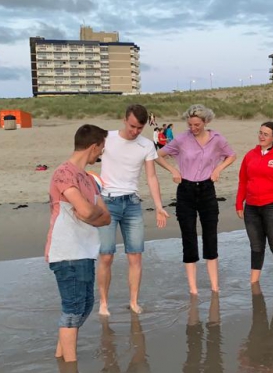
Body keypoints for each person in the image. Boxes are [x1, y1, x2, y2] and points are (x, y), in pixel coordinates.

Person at [46, 124, 111, 363]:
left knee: (85, 305)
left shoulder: (90, 180)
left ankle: (60, 357)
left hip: (85, 250)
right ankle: (70, 366)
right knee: (73, 310)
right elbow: (86, 210)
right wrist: (90, 213)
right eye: (101, 148)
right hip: (66, 251)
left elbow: (105, 218)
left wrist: (89, 213)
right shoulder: (64, 172)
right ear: (93, 146)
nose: (101, 154)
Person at [97, 104, 170, 316]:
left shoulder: (146, 145)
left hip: (132, 203)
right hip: (107, 202)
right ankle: (103, 303)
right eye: (132, 126)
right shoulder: (107, 138)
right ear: (124, 120)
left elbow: (151, 177)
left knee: (135, 256)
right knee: (106, 255)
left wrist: (158, 206)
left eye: (139, 127)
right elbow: (86, 158)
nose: (135, 131)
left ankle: (134, 302)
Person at [158, 104, 236, 295]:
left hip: (207, 190)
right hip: (185, 190)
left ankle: (215, 287)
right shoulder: (182, 139)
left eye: (196, 125)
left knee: (210, 236)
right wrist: (174, 171)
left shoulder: (217, 139)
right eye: (190, 124)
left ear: (205, 122)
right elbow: (158, 155)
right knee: (189, 237)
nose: (193, 128)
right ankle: (193, 289)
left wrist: (218, 169)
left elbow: (231, 155)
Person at [236, 122, 273, 285]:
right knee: (256, 246)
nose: (261, 136)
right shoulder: (250, 155)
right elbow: (243, 181)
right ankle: (254, 282)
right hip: (252, 207)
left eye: (266, 134)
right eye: (260, 133)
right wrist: (239, 203)